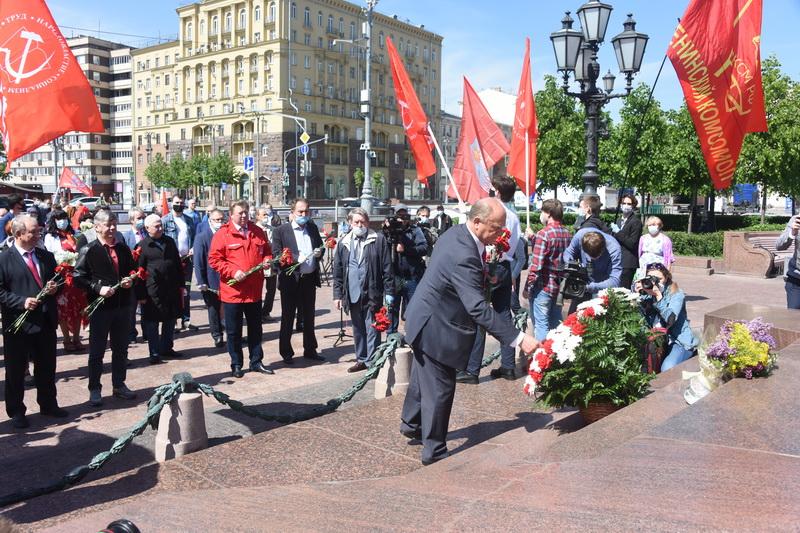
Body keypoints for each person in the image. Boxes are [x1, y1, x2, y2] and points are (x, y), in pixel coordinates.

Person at [399, 198, 538, 465]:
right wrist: (518, 338)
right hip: (436, 326)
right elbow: (477, 308)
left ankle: (411, 423)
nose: (500, 233)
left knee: (422, 375)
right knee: (440, 388)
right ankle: (434, 451)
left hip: (424, 315)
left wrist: (484, 276)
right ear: (477, 222)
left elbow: (457, 278)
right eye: (496, 228)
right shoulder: (465, 254)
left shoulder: (456, 233)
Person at [0, 215, 66, 429]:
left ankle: (48, 404)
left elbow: (58, 281)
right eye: (34, 231)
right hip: (18, 324)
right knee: (16, 370)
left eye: (39, 231)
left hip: (45, 320)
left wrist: (56, 288)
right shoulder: (4, 259)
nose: (39, 234)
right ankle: (16, 411)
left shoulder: (45, 256)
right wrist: (21, 302)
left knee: (47, 366)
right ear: (19, 234)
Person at [458, 176, 521, 383]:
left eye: (492, 189)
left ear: (498, 192)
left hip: (489, 265)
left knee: (480, 316)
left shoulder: (491, 213)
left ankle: (472, 370)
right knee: (504, 314)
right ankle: (508, 366)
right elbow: (516, 244)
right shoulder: (514, 216)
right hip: (505, 266)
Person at [73, 210, 137, 407]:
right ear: (97, 227)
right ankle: (95, 388)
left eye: (114, 224)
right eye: (108, 224)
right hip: (101, 308)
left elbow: (132, 270)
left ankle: (119, 384)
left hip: (122, 305)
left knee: (121, 349)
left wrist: (130, 279)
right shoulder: (89, 249)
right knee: (97, 351)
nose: (112, 228)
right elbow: (78, 277)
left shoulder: (122, 248)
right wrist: (97, 288)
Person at [208, 200, 274, 378]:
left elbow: (267, 251)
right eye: (240, 213)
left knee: (256, 329)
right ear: (231, 214)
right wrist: (232, 271)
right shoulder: (223, 234)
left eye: (246, 212)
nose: (244, 215)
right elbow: (214, 260)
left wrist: (267, 260)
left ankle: (256, 361)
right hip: (233, 293)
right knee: (234, 331)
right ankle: (236, 363)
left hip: (253, 291)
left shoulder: (257, 230)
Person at [332, 208, 394, 373]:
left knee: (372, 327)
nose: (360, 225)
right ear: (350, 223)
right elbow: (338, 270)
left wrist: (389, 293)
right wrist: (337, 295)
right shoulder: (344, 243)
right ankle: (361, 359)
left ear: (368, 222)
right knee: (358, 327)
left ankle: (373, 362)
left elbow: (387, 268)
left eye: (363, 222)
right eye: (356, 222)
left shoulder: (378, 240)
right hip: (352, 292)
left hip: (372, 292)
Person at [271, 198, 325, 364]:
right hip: (291, 280)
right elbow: (276, 255)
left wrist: (319, 252)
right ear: (292, 212)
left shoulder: (312, 228)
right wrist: (295, 258)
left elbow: (320, 246)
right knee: (288, 316)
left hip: (308, 279)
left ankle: (310, 349)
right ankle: (286, 352)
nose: (303, 214)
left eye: (306, 211)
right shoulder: (281, 231)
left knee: (309, 316)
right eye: (300, 212)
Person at [135, 214, 186, 364]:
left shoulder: (169, 241)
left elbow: (177, 263)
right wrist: (140, 295)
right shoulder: (142, 246)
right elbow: (138, 272)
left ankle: (167, 348)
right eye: (156, 226)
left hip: (171, 287)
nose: (160, 228)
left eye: (161, 225)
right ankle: (154, 352)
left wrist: (181, 284)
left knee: (170, 319)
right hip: (152, 290)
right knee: (152, 323)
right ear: (147, 228)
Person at [636, 262, 698, 371]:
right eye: (651, 278)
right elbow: (640, 320)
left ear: (666, 278)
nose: (655, 282)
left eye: (658, 279)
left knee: (667, 369)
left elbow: (671, 319)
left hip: (678, 341)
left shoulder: (676, 294)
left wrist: (658, 297)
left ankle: (691, 355)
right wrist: (637, 296)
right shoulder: (646, 294)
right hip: (658, 341)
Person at [525, 199, 572, 341]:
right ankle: (556, 353)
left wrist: (527, 288)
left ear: (549, 214)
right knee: (555, 326)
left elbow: (536, 267)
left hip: (543, 288)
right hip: (559, 287)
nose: (541, 215)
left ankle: (543, 353)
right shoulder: (567, 233)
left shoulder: (544, 234)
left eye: (542, 212)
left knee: (541, 326)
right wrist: (533, 237)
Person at [43, 209, 87, 352]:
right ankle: (67, 339)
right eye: (58, 219)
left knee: (78, 308)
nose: (62, 221)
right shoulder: (50, 237)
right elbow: (50, 255)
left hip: (76, 277)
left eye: (64, 218)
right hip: (61, 277)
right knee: (63, 309)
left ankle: (76, 338)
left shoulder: (74, 234)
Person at [387, 205, 428, 334]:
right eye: (399, 216)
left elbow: (424, 248)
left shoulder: (415, 230)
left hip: (411, 277)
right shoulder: (389, 230)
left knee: (412, 309)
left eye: (405, 216)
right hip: (395, 277)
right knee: (392, 308)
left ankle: (412, 335)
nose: (402, 219)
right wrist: (388, 229)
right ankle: (391, 336)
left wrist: (407, 250)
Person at [562, 227, 623, 313]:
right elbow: (568, 252)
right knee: (573, 317)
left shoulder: (614, 249)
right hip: (582, 283)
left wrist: (589, 287)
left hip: (601, 288)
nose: (591, 259)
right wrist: (571, 265)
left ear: (603, 249)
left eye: (596, 257)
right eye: (589, 255)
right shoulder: (580, 236)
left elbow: (615, 281)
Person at [162, 196, 196, 332]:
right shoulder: (165, 220)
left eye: (182, 203)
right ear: (172, 204)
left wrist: (193, 247)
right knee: (173, 291)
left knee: (186, 290)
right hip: (172, 261)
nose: (179, 205)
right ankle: (174, 321)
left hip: (187, 260)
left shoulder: (189, 220)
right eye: (177, 202)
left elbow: (193, 237)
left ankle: (186, 319)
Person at [194, 209, 225, 348]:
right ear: (210, 221)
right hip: (211, 278)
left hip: (226, 277)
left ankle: (231, 331)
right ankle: (217, 335)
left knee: (228, 307)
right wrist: (201, 281)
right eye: (217, 220)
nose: (220, 222)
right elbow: (199, 260)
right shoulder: (202, 237)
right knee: (213, 308)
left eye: (222, 219)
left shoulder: (226, 234)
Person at [611, 194, 644, 290]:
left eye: (629, 204)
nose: (626, 206)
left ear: (633, 206)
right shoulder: (618, 221)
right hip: (616, 260)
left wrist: (618, 232)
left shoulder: (636, 222)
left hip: (628, 262)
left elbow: (632, 243)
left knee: (623, 290)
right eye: (624, 203)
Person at [255, 206, 278, 322]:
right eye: (263, 215)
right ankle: (256, 313)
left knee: (271, 288)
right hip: (258, 264)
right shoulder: (253, 230)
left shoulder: (273, 229)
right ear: (257, 216)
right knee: (257, 289)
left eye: (267, 215)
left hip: (271, 262)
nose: (266, 217)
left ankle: (266, 311)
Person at [776, 214, 800, 309]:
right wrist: (792, 233)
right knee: (793, 316)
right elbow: (779, 245)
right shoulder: (796, 219)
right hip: (796, 280)